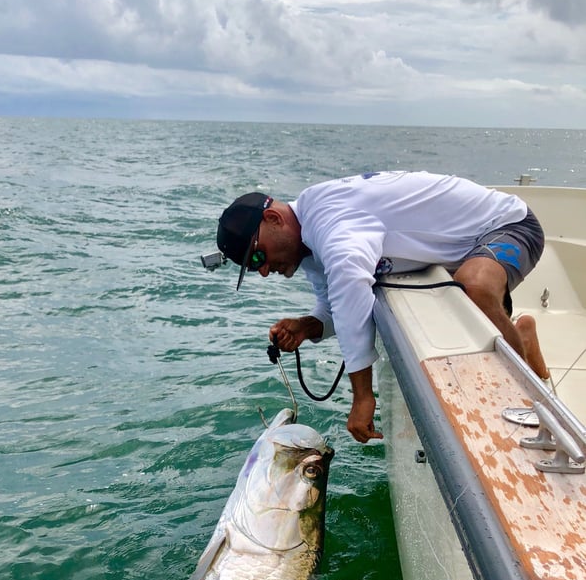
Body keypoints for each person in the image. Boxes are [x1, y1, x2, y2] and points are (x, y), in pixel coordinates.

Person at [215, 172, 549, 443]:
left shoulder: (329, 222)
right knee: (462, 286)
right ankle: (521, 336)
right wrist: (307, 325)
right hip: (459, 247)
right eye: (252, 268)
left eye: (257, 256)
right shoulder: (310, 248)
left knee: (473, 285)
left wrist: (363, 396)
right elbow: (335, 306)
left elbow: (351, 287)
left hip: (508, 225)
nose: (263, 269)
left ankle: (532, 401)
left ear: (274, 218)